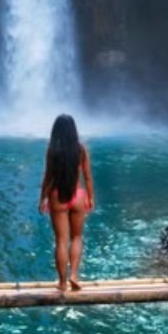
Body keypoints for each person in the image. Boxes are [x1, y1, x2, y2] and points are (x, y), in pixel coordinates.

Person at [38, 114, 95, 292]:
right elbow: (87, 177)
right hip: (78, 195)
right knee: (77, 237)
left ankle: (62, 283)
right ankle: (74, 275)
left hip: (57, 196)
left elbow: (48, 177)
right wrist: (90, 197)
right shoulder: (81, 150)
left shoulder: (52, 150)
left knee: (61, 240)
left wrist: (43, 198)